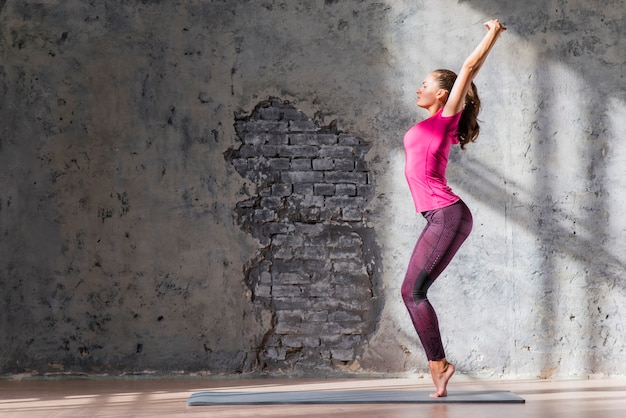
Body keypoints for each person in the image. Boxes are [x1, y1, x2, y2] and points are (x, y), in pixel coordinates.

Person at [401, 19, 506, 398]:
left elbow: (469, 68)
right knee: (411, 292)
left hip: (447, 214)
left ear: (444, 95)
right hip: (439, 216)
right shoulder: (430, 123)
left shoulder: (447, 119)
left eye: (426, 84)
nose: (419, 87)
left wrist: (492, 32)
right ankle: (440, 364)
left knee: (413, 292)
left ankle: (439, 365)